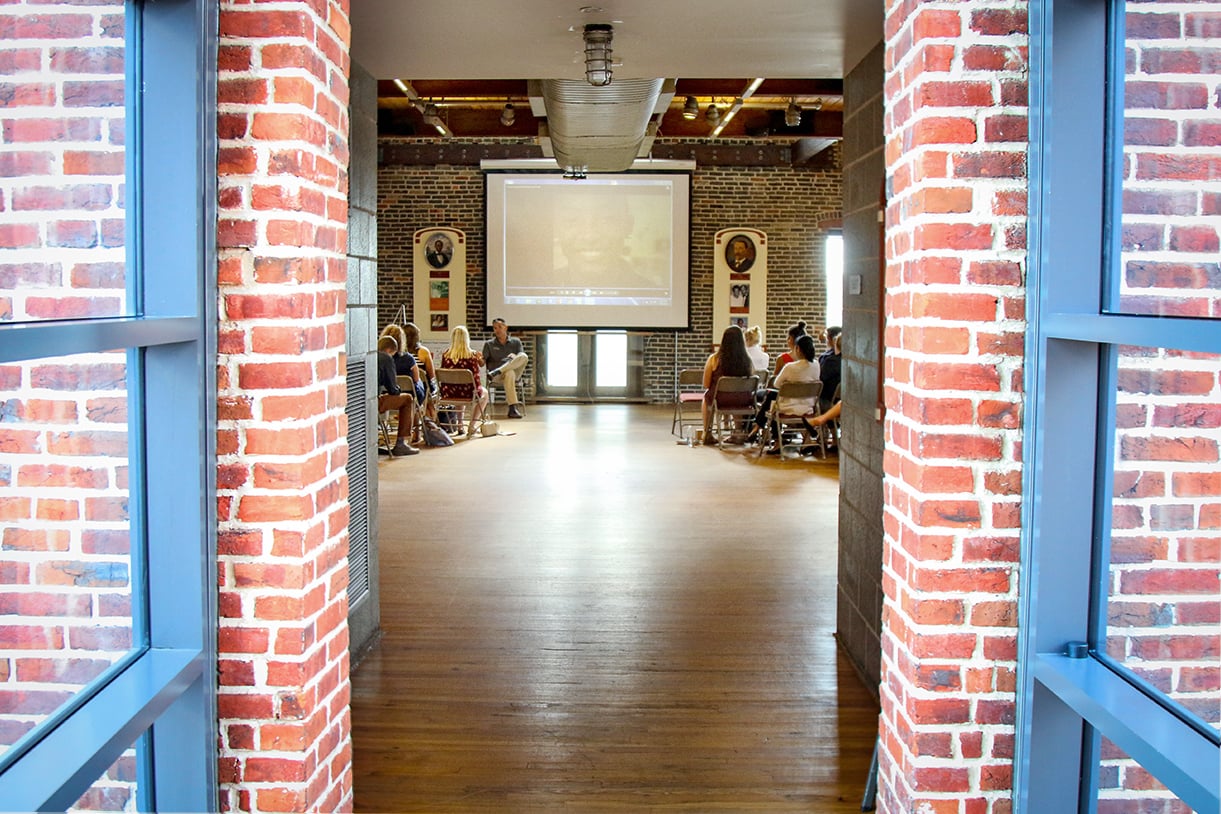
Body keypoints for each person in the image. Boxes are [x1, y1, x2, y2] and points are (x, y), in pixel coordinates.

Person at [755, 333, 821, 454]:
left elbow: (776, 384)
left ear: (798, 349)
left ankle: (775, 441)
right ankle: (807, 439)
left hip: (789, 407)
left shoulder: (790, 367)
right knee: (773, 399)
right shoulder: (816, 365)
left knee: (773, 403)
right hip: (809, 406)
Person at [702, 324, 756, 445]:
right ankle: (738, 433)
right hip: (743, 400)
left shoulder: (714, 359)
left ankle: (707, 433)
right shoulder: (747, 361)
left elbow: (706, 384)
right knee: (737, 395)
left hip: (721, 400)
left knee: (706, 397)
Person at [439, 325, 488, 437]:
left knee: (458, 389)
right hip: (468, 392)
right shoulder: (473, 355)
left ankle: (460, 425)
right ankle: (472, 425)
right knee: (485, 394)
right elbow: (476, 379)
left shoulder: (446, 355)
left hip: (449, 392)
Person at [376, 335, 419, 456]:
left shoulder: (369, 355)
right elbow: (393, 389)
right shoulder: (385, 358)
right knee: (407, 399)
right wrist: (397, 389)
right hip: (374, 402)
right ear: (390, 350)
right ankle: (401, 443)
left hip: (359, 402)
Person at [482, 318, 528, 419]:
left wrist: (514, 357)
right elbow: (482, 363)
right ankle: (512, 409)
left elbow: (521, 358)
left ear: (505, 327)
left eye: (500, 327)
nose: (497, 330)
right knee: (509, 373)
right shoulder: (489, 344)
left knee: (523, 356)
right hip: (496, 377)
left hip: (514, 373)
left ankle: (499, 370)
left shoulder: (516, 341)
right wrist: (478, 360)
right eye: (494, 328)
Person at [380, 323, 426, 404]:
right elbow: (416, 378)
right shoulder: (408, 359)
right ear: (402, 340)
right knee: (420, 383)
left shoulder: (379, 358)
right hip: (408, 394)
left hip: (384, 393)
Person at [402, 321, 438, 417]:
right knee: (431, 391)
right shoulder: (423, 352)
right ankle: (427, 421)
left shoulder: (398, 353)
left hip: (401, 389)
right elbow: (431, 375)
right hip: (419, 390)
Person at [819, 330, 842, 413]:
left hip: (828, 400)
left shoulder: (831, 362)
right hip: (842, 399)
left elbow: (820, 379)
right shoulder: (850, 362)